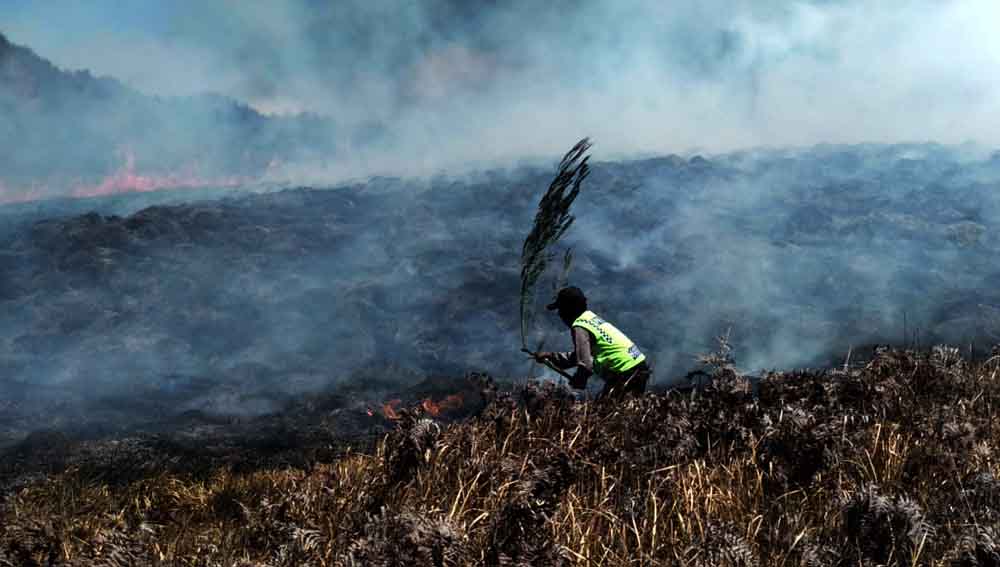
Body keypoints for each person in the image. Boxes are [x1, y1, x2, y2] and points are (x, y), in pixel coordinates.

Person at [533, 286, 650, 399]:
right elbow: (581, 356)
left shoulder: (580, 326)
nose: (559, 314)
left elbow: (585, 364)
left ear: (569, 309)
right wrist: (551, 356)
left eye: (561, 309)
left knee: (604, 409)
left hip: (625, 372)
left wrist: (579, 380)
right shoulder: (591, 318)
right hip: (639, 365)